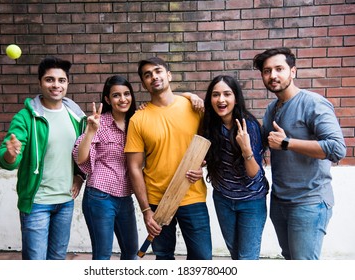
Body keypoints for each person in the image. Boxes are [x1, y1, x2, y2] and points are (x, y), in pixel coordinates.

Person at [253, 47, 346, 260]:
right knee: (291, 260)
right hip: (280, 201)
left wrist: (287, 143)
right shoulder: (271, 108)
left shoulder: (313, 103)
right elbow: (260, 145)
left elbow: (337, 149)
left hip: (309, 202)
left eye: (279, 69)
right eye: (267, 71)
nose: (273, 75)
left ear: (293, 71)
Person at [0, 56, 86, 260]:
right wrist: (10, 154)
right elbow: (7, 158)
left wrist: (79, 176)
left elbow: (81, 153)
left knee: (57, 260)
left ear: (67, 83)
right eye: (49, 79)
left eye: (61, 80)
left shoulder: (77, 117)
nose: (56, 85)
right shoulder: (26, 117)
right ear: (40, 83)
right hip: (37, 203)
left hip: (65, 201)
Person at [124, 57, 212, 260]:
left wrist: (203, 165)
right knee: (163, 258)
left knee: (202, 259)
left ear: (169, 75)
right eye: (147, 75)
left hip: (192, 196)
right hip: (158, 201)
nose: (154, 77)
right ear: (144, 83)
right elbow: (134, 168)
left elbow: (209, 145)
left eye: (158, 71)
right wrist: (146, 210)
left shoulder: (194, 107)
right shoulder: (138, 119)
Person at [200, 75, 269, 260]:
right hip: (223, 198)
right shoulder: (210, 125)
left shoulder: (249, 126)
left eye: (227, 94)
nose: (221, 100)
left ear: (236, 98)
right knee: (235, 255)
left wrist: (246, 149)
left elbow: (254, 175)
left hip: (251, 201)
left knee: (247, 258)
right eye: (215, 95)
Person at [72, 75, 138, 260]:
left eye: (126, 94)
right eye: (116, 95)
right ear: (108, 99)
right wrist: (91, 131)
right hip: (100, 196)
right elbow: (80, 157)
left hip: (125, 196)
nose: (123, 99)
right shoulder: (99, 123)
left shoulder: (137, 122)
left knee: (131, 251)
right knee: (103, 255)